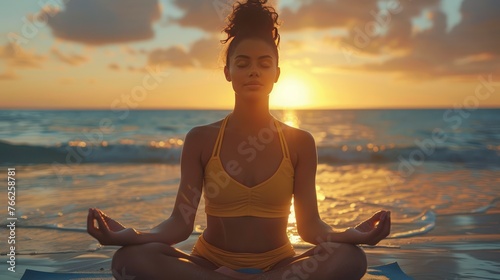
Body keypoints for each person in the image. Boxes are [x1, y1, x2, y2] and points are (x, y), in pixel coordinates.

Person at [87, 1, 391, 279]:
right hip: (209, 264)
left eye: (264, 63)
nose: (254, 72)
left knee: (350, 258)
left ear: (277, 73)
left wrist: (353, 235)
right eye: (243, 63)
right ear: (228, 72)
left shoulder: (299, 142)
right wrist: (132, 236)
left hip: (279, 264)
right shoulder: (201, 139)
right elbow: (179, 225)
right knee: (129, 260)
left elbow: (311, 228)